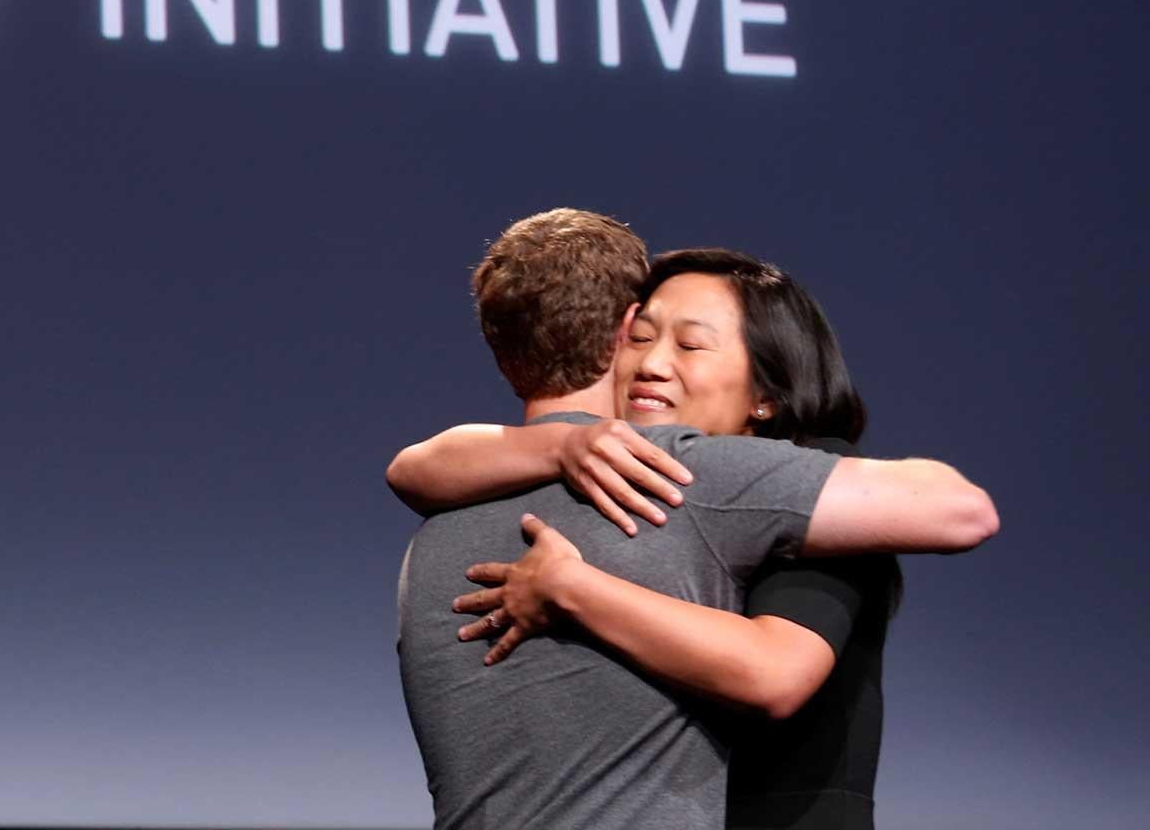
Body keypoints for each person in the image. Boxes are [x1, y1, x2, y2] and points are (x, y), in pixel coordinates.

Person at [392, 210, 996, 830]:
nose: (652, 364)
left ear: (767, 392)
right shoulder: (594, 474)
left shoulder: (813, 491)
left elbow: (774, 674)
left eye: (689, 344)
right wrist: (557, 445)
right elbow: (411, 468)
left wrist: (572, 588)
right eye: (642, 338)